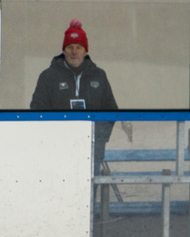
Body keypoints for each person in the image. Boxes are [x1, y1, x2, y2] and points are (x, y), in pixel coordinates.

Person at [30, 19, 131, 174]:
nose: (74, 52)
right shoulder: (48, 76)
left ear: (85, 50)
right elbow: (37, 110)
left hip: (91, 152)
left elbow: (111, 110)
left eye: (79, 47)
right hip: (57, 152)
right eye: (70, 47)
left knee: (90, 193)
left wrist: (99, 140)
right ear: (64, 50)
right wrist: (52, 139)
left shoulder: (99, 76)